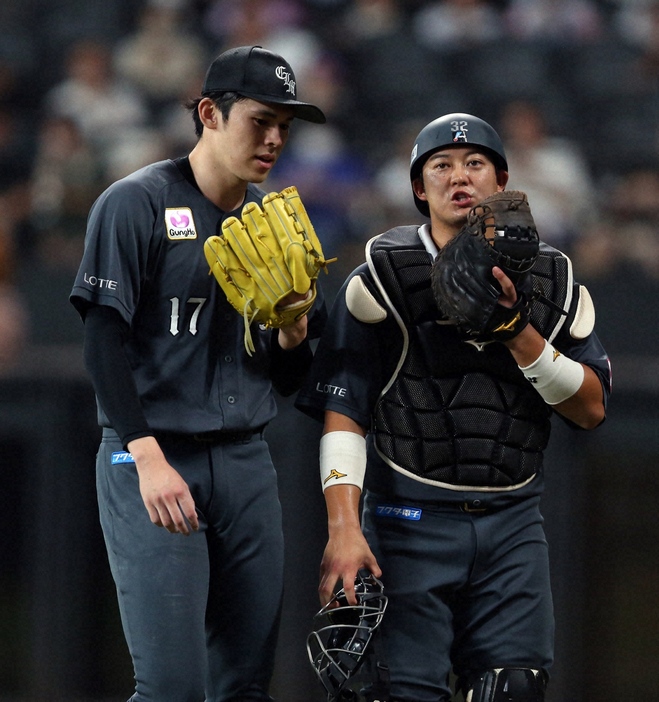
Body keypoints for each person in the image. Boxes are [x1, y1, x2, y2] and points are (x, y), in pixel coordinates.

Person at [295, 113, 611, 701]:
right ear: (419, 187)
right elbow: (345, 411)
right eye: (440, 165)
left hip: (513, 520)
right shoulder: (382, 278)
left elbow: (590, 409)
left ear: (502, 181)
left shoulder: (554, 279)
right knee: (401, 691)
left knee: (514, 688)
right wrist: (343, 528)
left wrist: (518, 330)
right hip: (406, 519)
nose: (458, 176)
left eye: (474, 164)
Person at [69, 45, 327, 702]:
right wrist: (145, 454)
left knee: (242, 686)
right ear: (210, 112)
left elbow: (289, 378)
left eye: (283, 129)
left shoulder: (273, 225)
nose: (273, 140)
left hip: (245, 459)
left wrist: (294, 331)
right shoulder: (134, 203)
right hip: (153, 454)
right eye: (259, 122)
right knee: (174, 689)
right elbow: (102, 344)